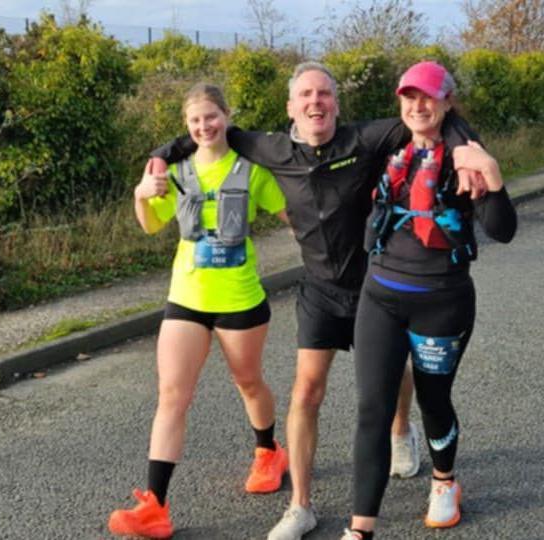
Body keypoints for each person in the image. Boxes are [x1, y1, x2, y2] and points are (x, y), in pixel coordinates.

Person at [150, 62, 489, 540]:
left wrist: (467, 153)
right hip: (319, 291)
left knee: (397, 377)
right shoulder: (271, 148)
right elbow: (210, 133)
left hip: (376, 288)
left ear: (336, 103)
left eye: (324, 94)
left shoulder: (367, 140)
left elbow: (436, 119)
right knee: (305, 393)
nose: (315, 102)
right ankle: (300, 507)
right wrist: (161, 155)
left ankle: (400, 430)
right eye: (305, 95)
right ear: (291, 107)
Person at [339, 61, 517, 540]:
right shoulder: (387, 147)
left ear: (447, 101)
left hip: (443, 301)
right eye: (409, 97)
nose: (419, 106)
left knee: (434, 401)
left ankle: (444, 481)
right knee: (372, 409)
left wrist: (492, 175)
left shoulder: (465, 157)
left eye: (429, 97)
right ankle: (361, 529)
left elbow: (503, 230)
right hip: (380, 297)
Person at [107, 83, 291, 539]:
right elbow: (151, 226)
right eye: (195, 121)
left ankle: (269, 451)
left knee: (248, 383)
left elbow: (293, 213)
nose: (204, 126)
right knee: (172, 395)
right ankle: (155, 506)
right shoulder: (174, 172)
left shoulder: (251, 170)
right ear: (186, 127)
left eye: (211, 116)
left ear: (226, 116)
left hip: (240, 299)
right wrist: (140, 194)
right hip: (186, 298)